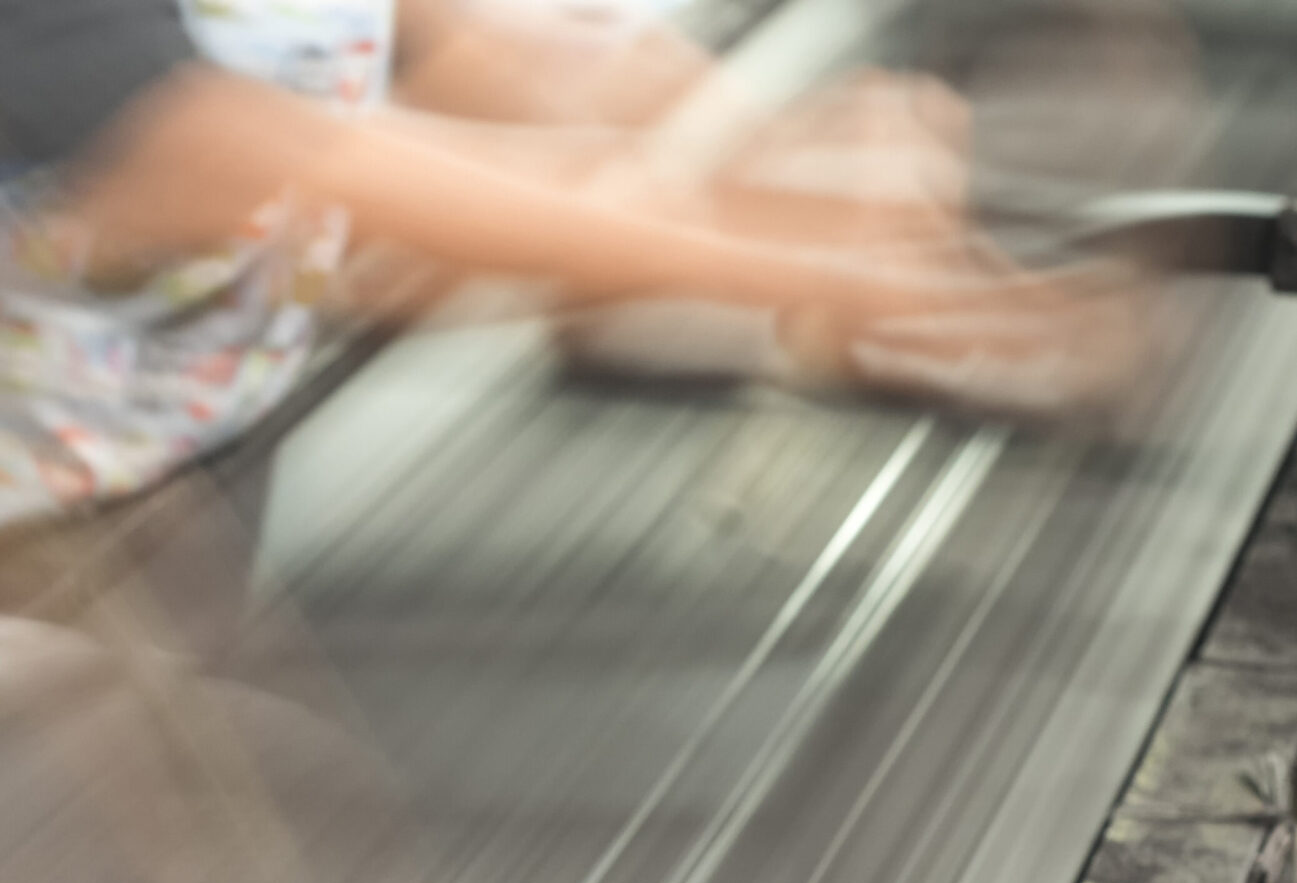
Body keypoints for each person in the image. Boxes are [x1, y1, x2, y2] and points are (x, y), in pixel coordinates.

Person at [0, 0, 1164, 535]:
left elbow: (457, 31)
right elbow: (223, 149)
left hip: (179, 447)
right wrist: (780, 242)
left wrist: (757, 136)